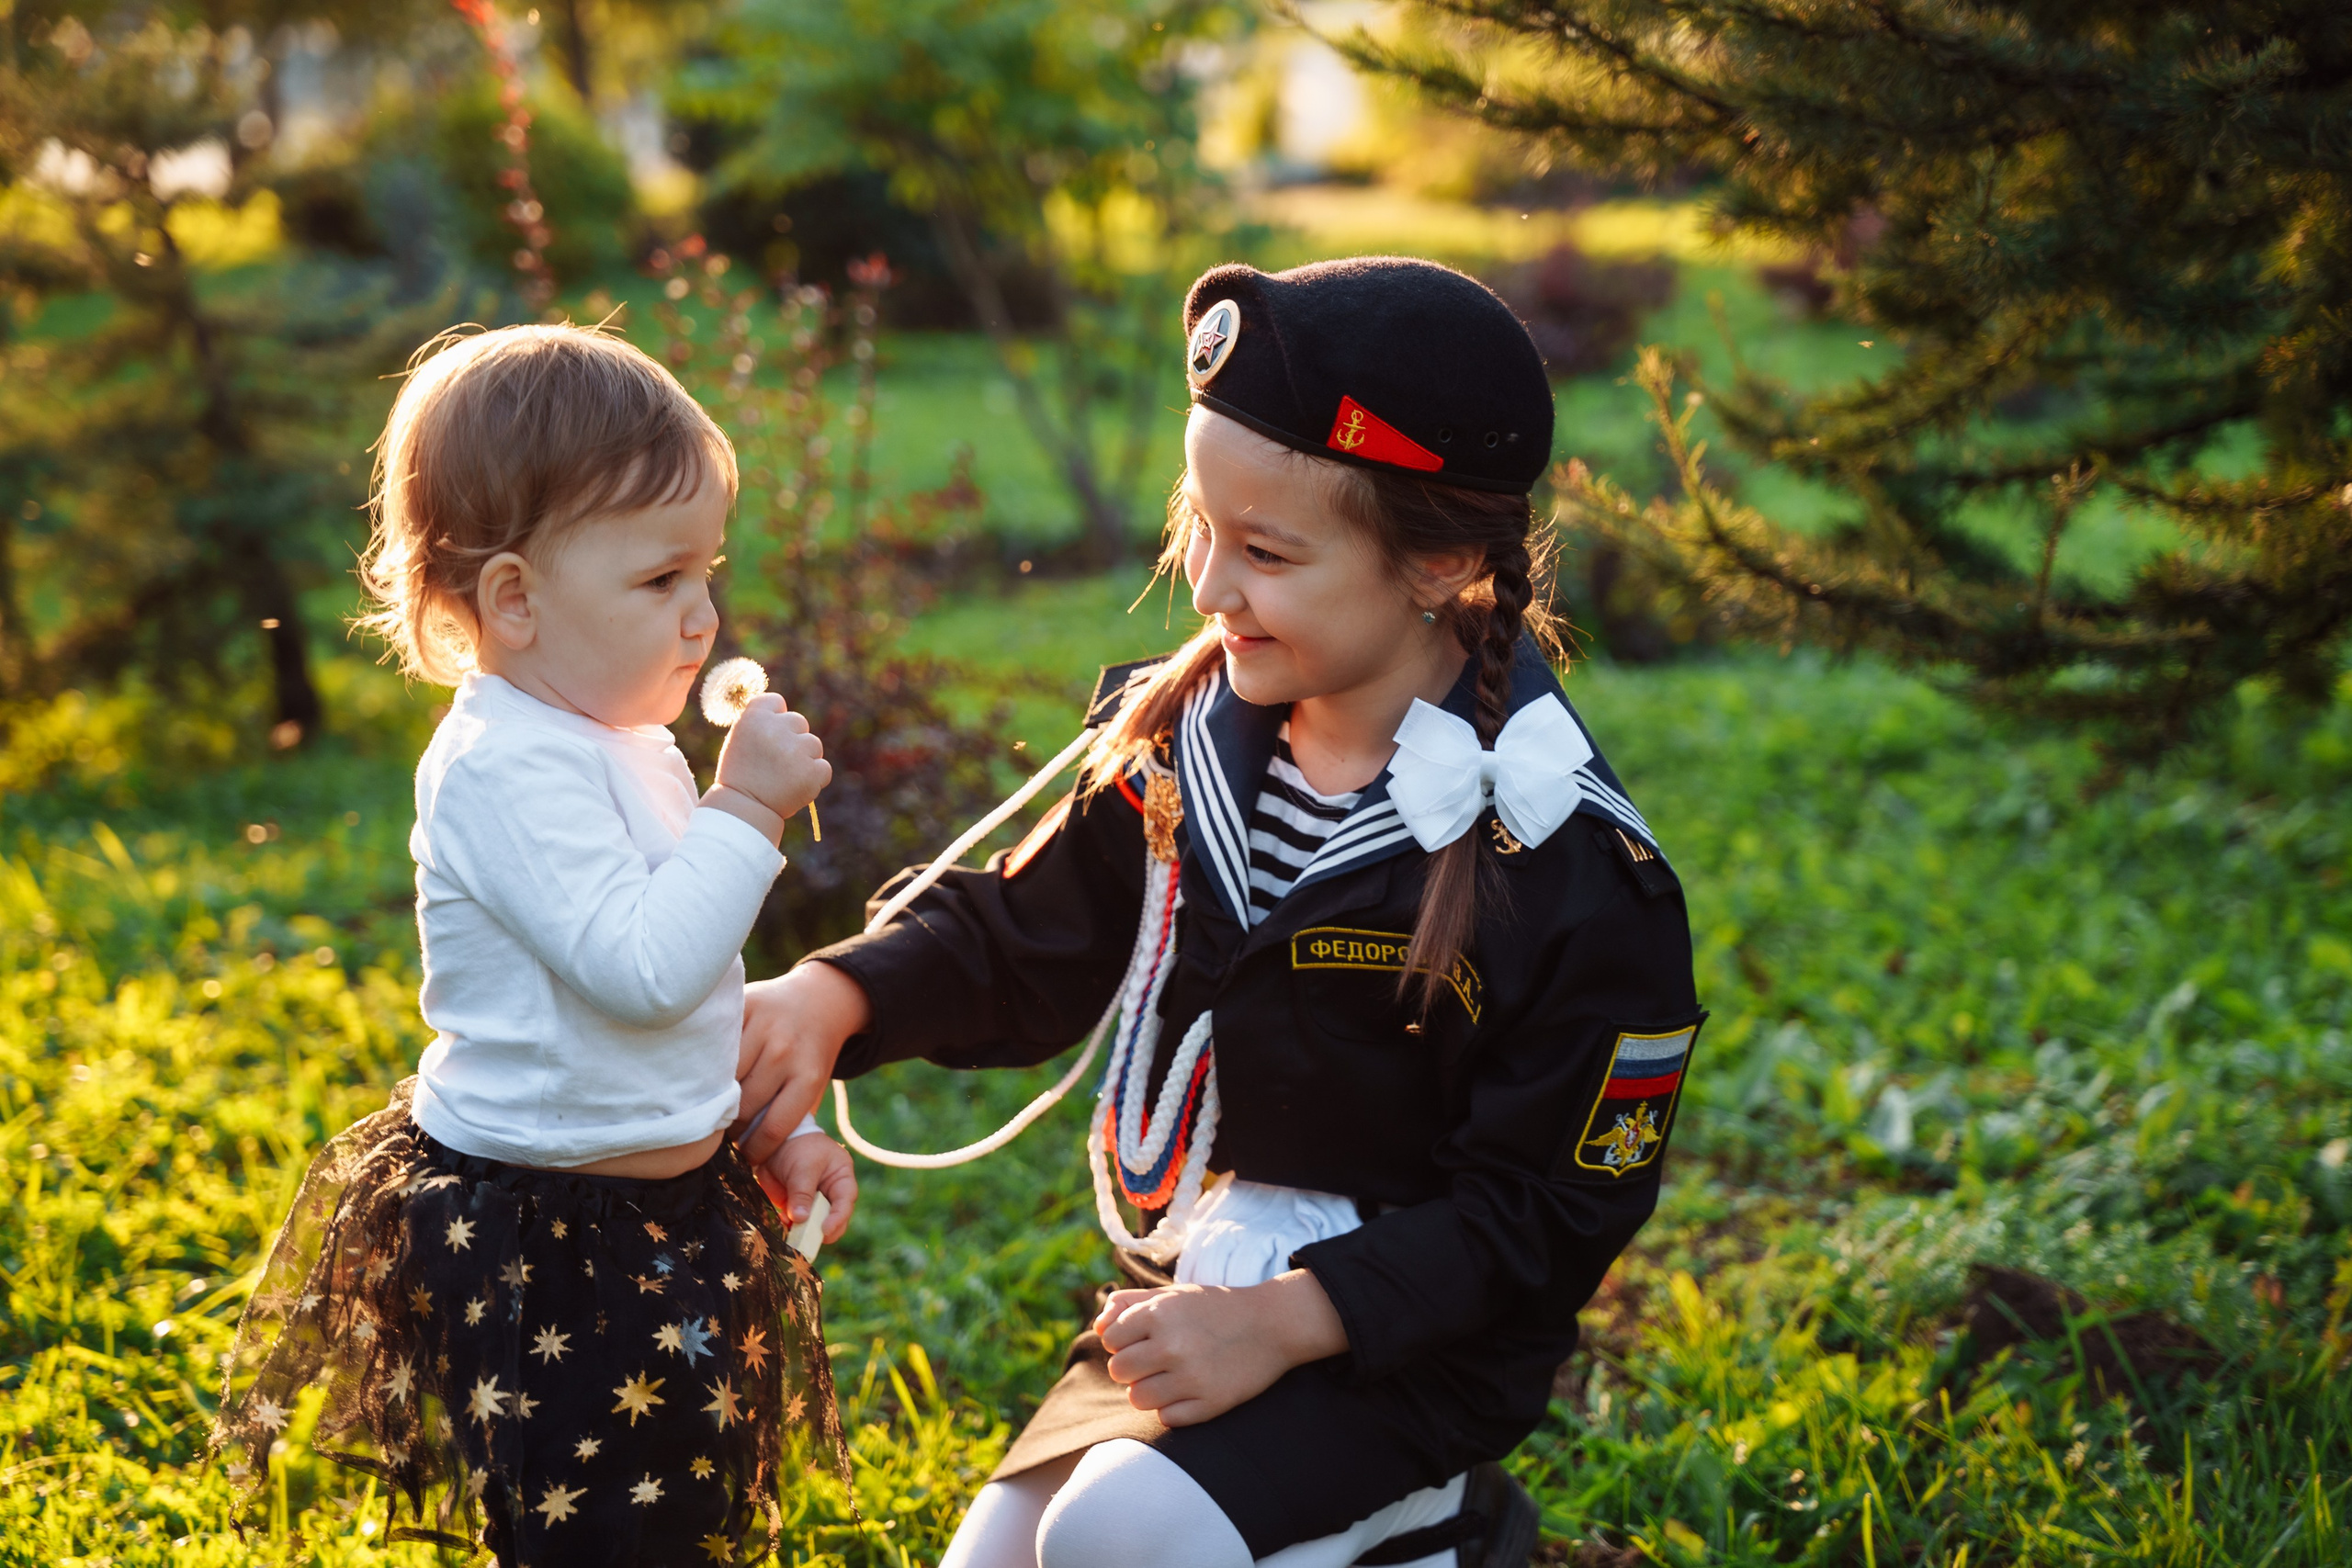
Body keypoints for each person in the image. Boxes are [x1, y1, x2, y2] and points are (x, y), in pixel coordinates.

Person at [731, 257, 1704, 1568]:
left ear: (1439, 562)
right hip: (1206, 1287)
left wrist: (1293, 1323)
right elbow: (1032, 937)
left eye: (1268, 552)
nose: (1209, 590)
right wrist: (834, 994)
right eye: (1204, 530)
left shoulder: (1567, 860)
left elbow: (1549, 1215)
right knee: (1001, 1559)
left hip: (1408, 1344)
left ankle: (1439, 1535)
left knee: (1114, 1543)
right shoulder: (1190, 741)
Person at [210, 323, 857, 1565]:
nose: (702, 617)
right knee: (592, 1528)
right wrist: (748, 810)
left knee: (681, 1499)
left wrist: (773, 1129)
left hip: (656, 1204)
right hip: (546, 1243)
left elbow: (689, 998)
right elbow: (642, 966)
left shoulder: (622, 738)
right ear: (513, 598)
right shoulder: (503, 768)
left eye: (705, 574)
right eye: (661, 581)